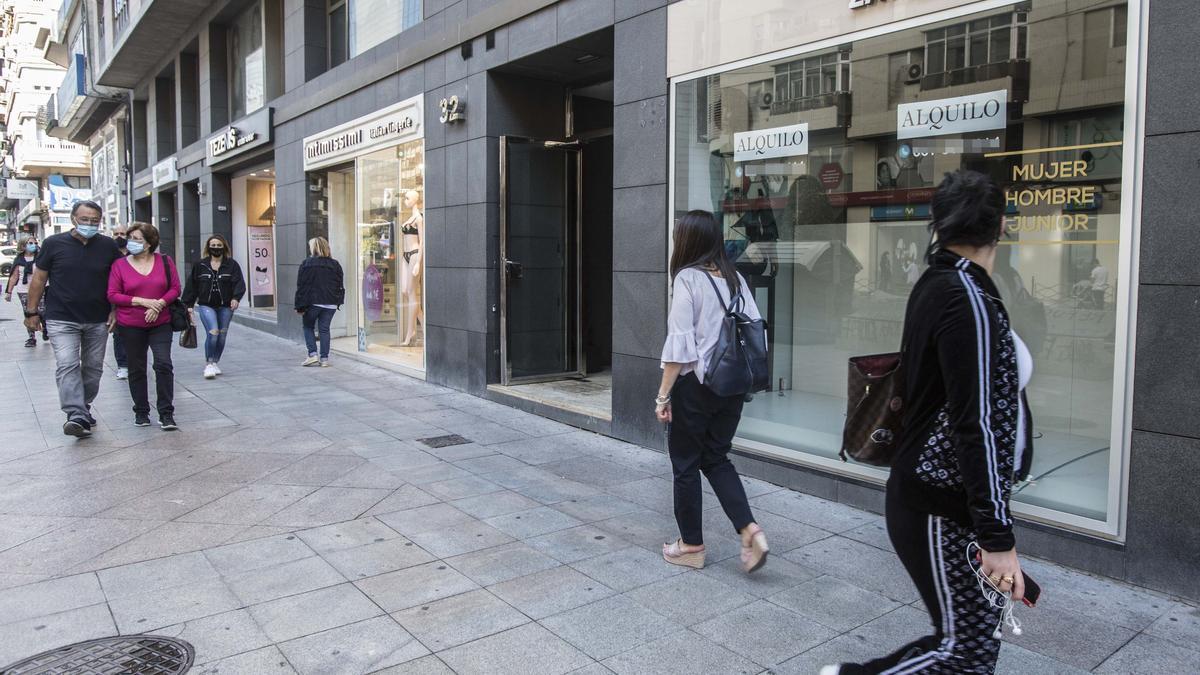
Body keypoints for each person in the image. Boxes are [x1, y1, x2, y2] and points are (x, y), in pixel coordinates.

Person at [824, 171, 1035, 675]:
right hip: (942, 506)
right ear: (1001, 227)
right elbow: (977, 424)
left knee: (964, 643)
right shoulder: (968, 299)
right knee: (965, 655)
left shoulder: (941, 283)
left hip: (937, 498)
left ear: (937, 225)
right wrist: (997, 538)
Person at [656, 209, 769, 573]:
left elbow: (680, 347)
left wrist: (662, 396)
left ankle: (691, 545)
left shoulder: (688, 279)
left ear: (688, 240)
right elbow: (756, 331)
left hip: (696, 387)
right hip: (732, 385)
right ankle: (749, 529)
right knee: (716, 458)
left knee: (686, 464)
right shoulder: (736, 278)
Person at [23, 201, 123, 438]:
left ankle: (83, 407)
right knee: (67, 365)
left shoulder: (108, 246)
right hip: (61, 318)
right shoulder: (53, 244)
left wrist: (116, 309)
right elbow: (38, 279)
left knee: (93, 369)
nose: (89, 224)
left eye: (94, 220)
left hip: (98, 319)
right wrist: (31, 312)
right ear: (73, 219)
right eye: (84, 219)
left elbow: (119, 280)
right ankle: (75, 414)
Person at [106, 222, 181, 430]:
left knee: (163, 364)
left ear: (149, 243)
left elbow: (175, 288)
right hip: (130, 324)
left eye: (137, 239)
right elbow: (113, 294)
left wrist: (159, 304)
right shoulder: (119, 265)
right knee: (136, 368)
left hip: (161, 322)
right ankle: (141, 411)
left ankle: (166, 413)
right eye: (131, 239)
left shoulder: (165, 261)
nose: (132, 242)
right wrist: (143, 301)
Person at [181, 234, 245, 379]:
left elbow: (239, 283)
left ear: (224, 247)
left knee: (222, 335)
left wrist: (236, 298)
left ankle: (215, 361)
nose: (216, 248)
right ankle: (209, 363)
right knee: (213, 332)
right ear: (208, 247)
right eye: (213, 245)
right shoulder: (200, 265)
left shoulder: (232, 265)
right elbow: (192, 286)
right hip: (206, 305)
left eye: (219, 245)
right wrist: (188, 305)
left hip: (225, 306)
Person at [294, 236, 343, 367]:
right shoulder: (335, 264)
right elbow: (339, 284)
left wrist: (299, 305)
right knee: (324, 330)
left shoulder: (306, 263)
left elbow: (302, 286)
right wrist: (338, 300)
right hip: (331, 303)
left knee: (308, 326)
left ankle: (312, 354)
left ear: (313, 248)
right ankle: (325, 359)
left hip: (313, 302)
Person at [5, 235, 47, 347]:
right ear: (23, 246)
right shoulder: (18, 259)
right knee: (29, 314)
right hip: (23, 290)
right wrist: (8, 292)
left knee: (42, 311)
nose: (34, 245)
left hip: (39, 289)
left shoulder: (40, 258)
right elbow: (14, 277)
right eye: (30, 243)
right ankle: (31, 338)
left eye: (35, 243)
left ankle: (45, 328)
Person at [110, 223, 130, 380]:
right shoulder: (108, 254)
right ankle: (122, 365)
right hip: (115, 300)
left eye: (122, 234)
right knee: (118, 334)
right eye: (116, 234)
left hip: (134, 299)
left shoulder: (135, 253)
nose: (119, 237)